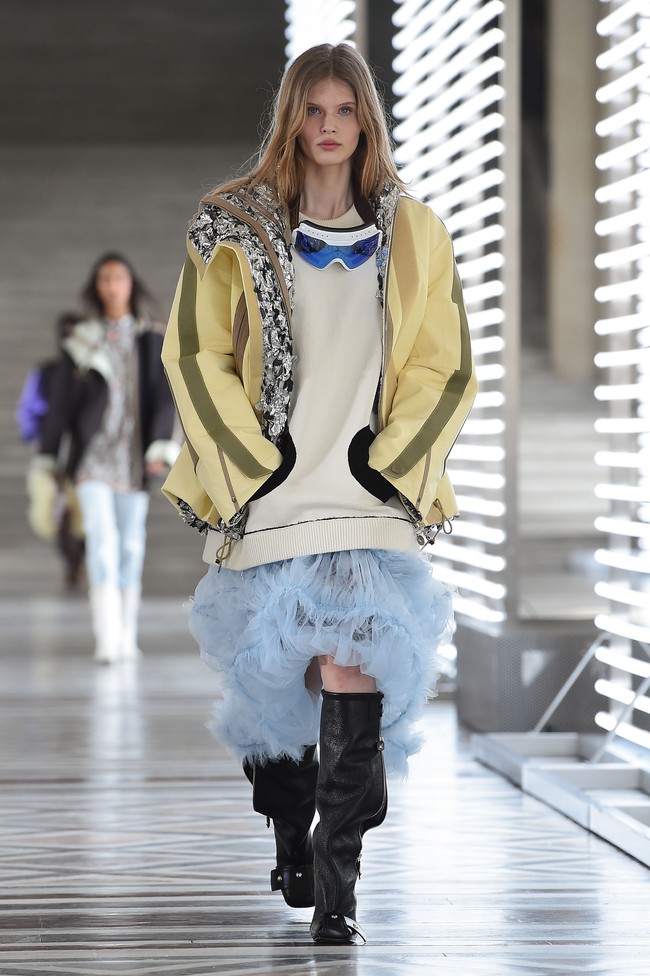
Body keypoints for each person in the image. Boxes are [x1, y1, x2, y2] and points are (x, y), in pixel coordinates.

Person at [161, 43, 477, 945]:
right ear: (291, 119)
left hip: (369, 487)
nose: (330, 128)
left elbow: (443, 361)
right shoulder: (231, 228)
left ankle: (339, 889)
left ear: (365, 122)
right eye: (314, 111)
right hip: (275, 487)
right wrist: (248, 458)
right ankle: (290, 828)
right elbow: (193, 354)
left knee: (355, 668)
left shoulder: (413, 232)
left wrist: (395, 455)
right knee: (284, 682)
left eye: (345, 111)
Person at [29, 253, 180, 663]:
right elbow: (60, 405)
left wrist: (161, 448)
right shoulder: (82, 340)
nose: (112, 285)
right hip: (92, 458)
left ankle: (127, 635)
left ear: (131, 284)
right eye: (104, 279)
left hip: (134, 456)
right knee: (102, 541)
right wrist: (49, 458)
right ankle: (106, 637)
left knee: (131, 543)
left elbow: (166, 398)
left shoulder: (153, 338)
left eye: (118, 277)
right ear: (97, 287)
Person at [18, 311, 86, 588]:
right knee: (59, 512)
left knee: (82, 512)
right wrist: (37, 436)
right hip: (53, 449)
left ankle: (78, 558)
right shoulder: (47, 371)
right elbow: (29, 409)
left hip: (84, 450)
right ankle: (72, 561)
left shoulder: (91, 371)